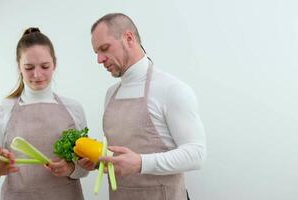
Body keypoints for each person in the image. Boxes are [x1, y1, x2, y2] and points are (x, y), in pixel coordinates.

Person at [83, 13, 207, 200]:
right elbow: (120, 154)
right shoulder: (110, 94)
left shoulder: (171, 89)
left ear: (129, 38)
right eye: (97, 53)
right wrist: (98, 162)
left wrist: (141, 163)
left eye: (105, 48)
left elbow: (196, 154)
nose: (99, 59)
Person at [0, 27, 88, 200]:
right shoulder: (1, 110)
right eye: (29, 67)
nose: (37, 74)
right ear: (18, 66)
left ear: (55, 64)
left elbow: (86, 167)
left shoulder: (74, 108)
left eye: (45, 66)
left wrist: (72, 168)